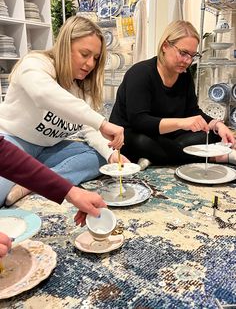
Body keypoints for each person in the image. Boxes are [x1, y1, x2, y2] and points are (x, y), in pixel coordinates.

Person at [0, 15, 129, 206]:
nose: (91, 64)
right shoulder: (34, 64)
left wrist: (111, 155)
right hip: (12, 144)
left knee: (101, 159)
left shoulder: (81, 87)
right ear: (64, 46)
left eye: (95, 58)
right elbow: (43, 94)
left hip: (48, 148)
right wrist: (101, 122)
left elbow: (88, 128)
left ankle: (32, 184)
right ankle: (39, 178)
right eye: (84, 54)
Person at [109, 20, 236, 169]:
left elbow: (193, 112)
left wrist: (217, 124)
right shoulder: (140, 73)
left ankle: (157, 157)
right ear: (165, 46)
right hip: (132, 134)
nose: (187, 61)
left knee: (211, 134)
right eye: (183, 53)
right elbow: (139, 121)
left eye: (192, 55)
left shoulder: (184, 75)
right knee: (143, 143)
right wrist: (182, 123)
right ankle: (219, 157)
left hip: (166, 137)